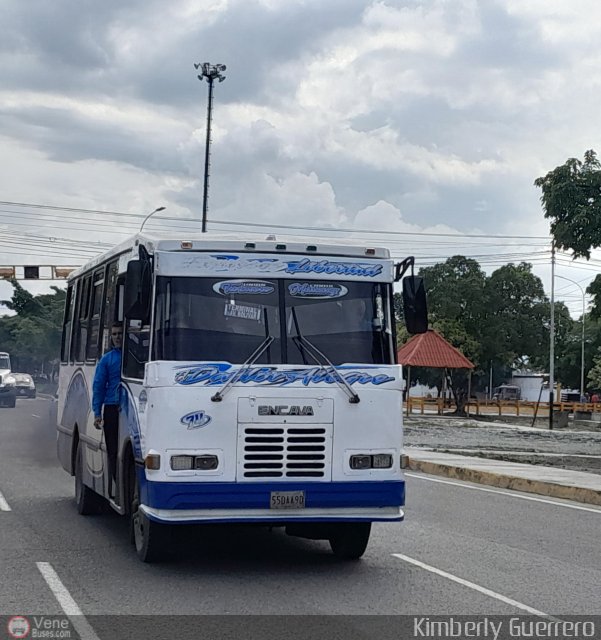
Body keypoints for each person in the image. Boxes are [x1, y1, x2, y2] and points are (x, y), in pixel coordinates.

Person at [92, 322, 122, 494]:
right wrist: (97, 413)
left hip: (133, 408)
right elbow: (99, 386)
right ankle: (116, 486)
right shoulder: (107, 359)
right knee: (113, 450)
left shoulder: (136, 356)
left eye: (120, 334)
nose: (117, 337)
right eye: (115, 334)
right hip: (112, 408)